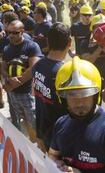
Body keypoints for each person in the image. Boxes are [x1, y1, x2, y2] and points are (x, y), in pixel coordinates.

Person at [49, 56, 105, 173]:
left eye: (85, 93)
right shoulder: (61, 124)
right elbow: (52, 154)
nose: (80, 102)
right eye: (71, 94)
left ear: (96, 95)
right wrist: (56, 164)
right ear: (62, 98)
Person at [1, 20, 42, 142]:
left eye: (15, 32)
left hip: (28, 93)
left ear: (22, 32)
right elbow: (3, 68)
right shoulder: (7, 48)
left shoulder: (31, 46)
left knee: (35, 123)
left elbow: (33, 68)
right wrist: (8, 78)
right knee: (24, 120)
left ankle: (42, 151)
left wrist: (16, 82)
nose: (11, 35)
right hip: (14, 94)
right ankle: (33, 145)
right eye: (9, 32)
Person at [32, 23, 70, 152]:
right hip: (61, 138)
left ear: (48, 41)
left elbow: (37, 97)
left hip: (43, 131)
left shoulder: (38, 65)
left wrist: (39, 135)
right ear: (69, 42)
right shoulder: (64, 72)